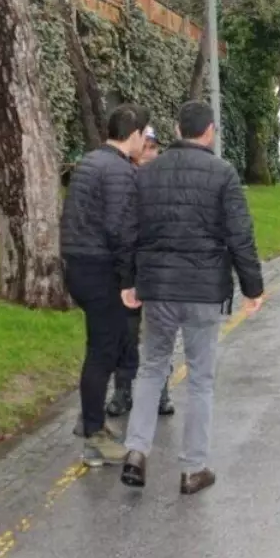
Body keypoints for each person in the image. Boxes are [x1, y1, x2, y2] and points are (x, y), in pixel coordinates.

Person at [120, 101, 265, 495]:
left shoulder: (148, 173)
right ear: (210, 130)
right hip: (202, 289)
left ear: (177, 128)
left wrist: (129, 281)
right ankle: (193, 468)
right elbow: (240, 234)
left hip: (159, 289)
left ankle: (135, 450)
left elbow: (131, 232)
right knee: (200, 377)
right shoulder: (223, 174)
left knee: (152, 367)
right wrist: (253, 287)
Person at [60, 104, 146, 465]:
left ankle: (91, 420)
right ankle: (93, 436)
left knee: (101, 345)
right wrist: (129, 281)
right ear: (135, 135)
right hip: (100, 270)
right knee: (103, 350)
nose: (145, 142)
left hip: (76, 265)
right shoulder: (120, 171)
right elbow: (120, 230)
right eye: (145, 134)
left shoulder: (89, 162)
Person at [106, 125, 175, 418]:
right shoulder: (121, 179)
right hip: (127, 270)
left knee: (161, 334)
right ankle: (123, 390)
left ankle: (161, 391)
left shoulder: (166, 181)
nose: (150, 153)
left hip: (158, 269)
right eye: (145, 147)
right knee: (126, 333)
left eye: (154, 147)